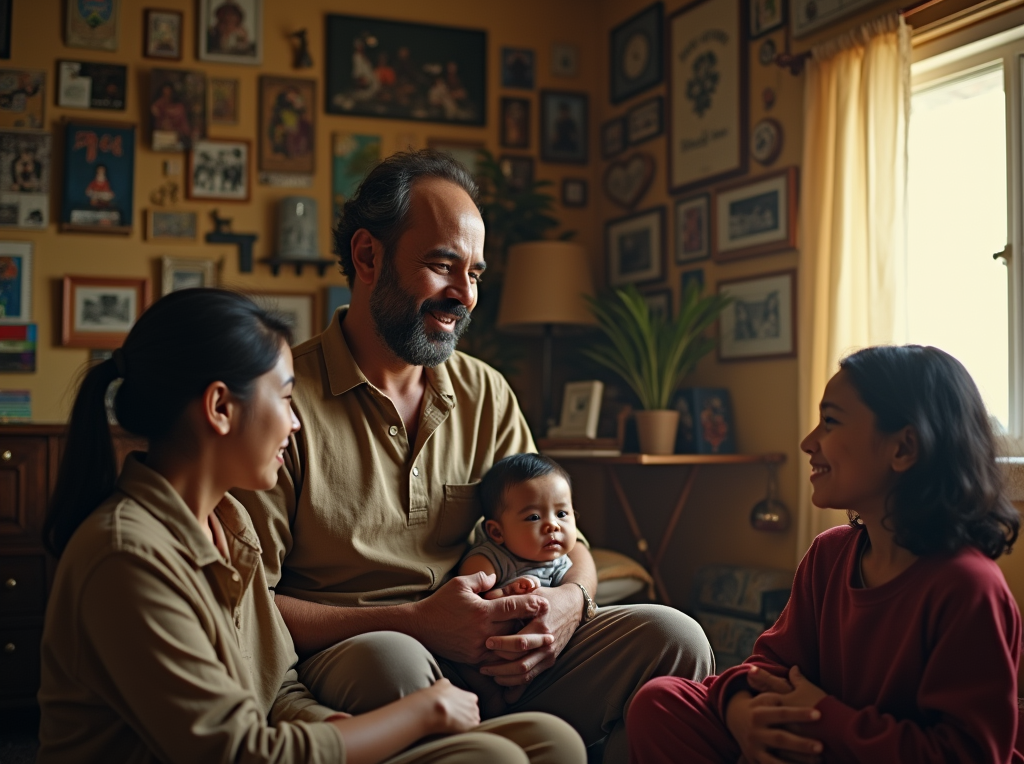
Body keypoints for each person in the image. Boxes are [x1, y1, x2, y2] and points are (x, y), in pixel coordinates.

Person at [234, 149, 714, 764]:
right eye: (442, 265)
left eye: (477, 274)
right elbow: (249, 604)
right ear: (367, 256)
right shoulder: (281, 399)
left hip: (502, 660)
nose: (464, 295)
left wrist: (567, 608)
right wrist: (417, 621)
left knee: (674, 637)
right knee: (395, 659)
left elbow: (573, 546)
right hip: (371, 659)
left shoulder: (485, 391)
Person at [37, 288, 586, 764]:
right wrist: (422, 713)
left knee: (549, 742)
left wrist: (336, 725)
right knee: (488, 756)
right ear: (221, 408)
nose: (296, 422)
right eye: (283, 398)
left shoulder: (229, 527)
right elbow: (235, 753)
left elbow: (277, 686)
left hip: (279, 742)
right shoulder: (127, 557)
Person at [628, 345, 1024, 764]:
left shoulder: (967, 587)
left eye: (830, 422)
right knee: (660, 701)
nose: (808, 442)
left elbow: (968, 753)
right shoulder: (830, 553)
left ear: (904, 448)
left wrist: (823, 718)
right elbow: (771, 665)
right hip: (816, 745)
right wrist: (739, 710)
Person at [459, 453, 577, 596]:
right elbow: (472, 605)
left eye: (561, 514)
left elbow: (574, 600)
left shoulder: (562, 561)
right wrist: (506, 592)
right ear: (497, 532)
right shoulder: (488, 562)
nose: (553, 525)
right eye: (534, 517)